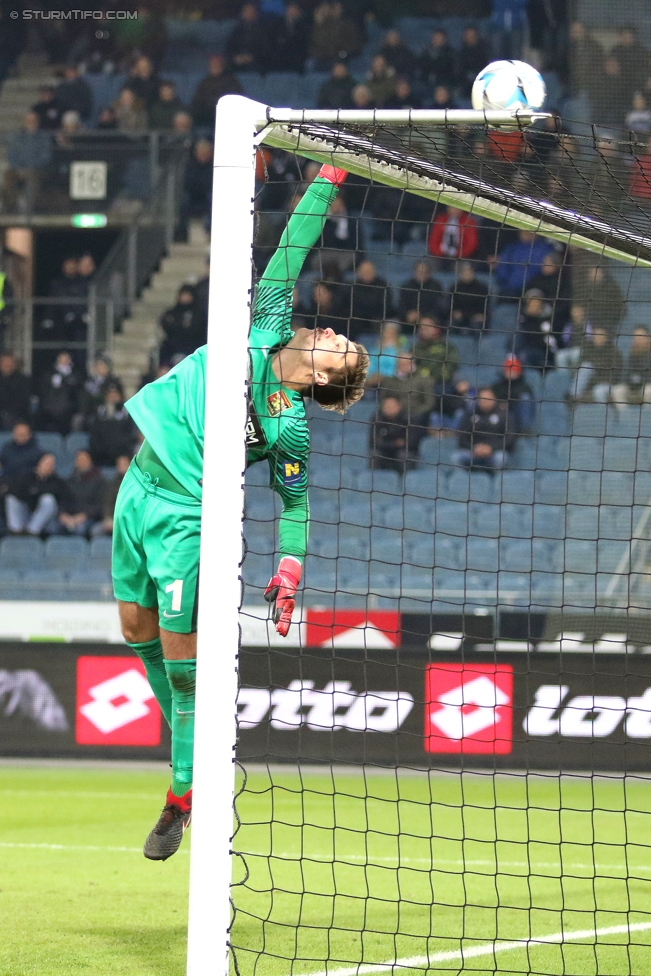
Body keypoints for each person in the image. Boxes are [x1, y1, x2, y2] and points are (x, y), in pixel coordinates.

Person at [111, 164, 368, 860]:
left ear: (320, 379)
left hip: (185, 517)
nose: (328, 335)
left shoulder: (288, 426)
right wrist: (327, 176)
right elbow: (292, 246)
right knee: (132, 628)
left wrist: (289, 569)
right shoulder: (270, 323)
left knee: (183, 663)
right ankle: (190, 743)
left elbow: (295, 501)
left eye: (335, 349)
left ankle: (182, 792)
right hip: (137, 484)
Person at [5, 452, 72, 536]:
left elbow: (62, 498)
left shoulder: (57, 481)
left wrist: (35, 491)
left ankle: (32, 531)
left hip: (47, 519)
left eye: (51, 464)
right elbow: (16, 491)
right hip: (28, 511)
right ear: (39, 463)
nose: (49, 466)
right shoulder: (27, 477)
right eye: (46, 463)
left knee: (48, 499)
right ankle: (15, 531)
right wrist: (32, 494)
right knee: (11, 499)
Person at [453, 387, 515, 470]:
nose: (485, 401)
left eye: (488, 399)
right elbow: (462, 437)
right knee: (456, 457)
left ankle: (496, 481)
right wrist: (474, 448)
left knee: (501, 458)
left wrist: (491, 448)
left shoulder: (505, 416)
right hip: (473, 452)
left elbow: (509, 439)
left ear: (494, 399)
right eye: (482, 399)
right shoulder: (469, 415)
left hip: (495, 452)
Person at [3, 111, 52, 213]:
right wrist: (18, 168)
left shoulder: (43, 137)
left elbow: (45, 157)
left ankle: (27, 209)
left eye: (33, 120)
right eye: (28, 120)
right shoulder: (18, 137)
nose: (30, 123)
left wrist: (30, 167)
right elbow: (12, 155)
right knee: (8, 176)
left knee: (31, 177)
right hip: (18, 169)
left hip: (36, 170)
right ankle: (11, 207)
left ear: (37, 122)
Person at [572, 326, 626, 406]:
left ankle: (602, 414)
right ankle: (574, 395)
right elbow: (580, 365)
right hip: (593, 381)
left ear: (606, 337)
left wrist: (598, 373)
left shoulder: (613, 351)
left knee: (598, 391)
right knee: (586, 366)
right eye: (596, 336)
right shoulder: (589, 349)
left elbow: (615, 373)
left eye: (601, 335)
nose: (598, 338)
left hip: (608, 382)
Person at [492, 231, 554, 299]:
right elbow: (502, 268)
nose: (525, 234)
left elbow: (547, 270)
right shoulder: (512, 247)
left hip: (533, 289)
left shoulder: (545, 249)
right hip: (508, 288)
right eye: (522, 231)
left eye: (528, 232)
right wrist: (504, 283)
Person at [57, 449, 104, 537]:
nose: (82, 462)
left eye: (84, 459)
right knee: (54, 527)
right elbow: (63, 500)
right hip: (69, 517)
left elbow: (99, 505)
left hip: (89, 518)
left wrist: (84, 516)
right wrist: (63, 514)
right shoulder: (69, 480)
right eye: (79, 459)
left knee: (79, 529)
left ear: (90, 461)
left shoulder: (99, 481)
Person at [88, 384, 137, 466]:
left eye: (115, 396)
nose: (113, 399)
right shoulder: (98, 413)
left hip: (122, 453)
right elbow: (95, 435)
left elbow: (130, 434)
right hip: (102, 454)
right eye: (110, 396)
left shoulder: (128, 414)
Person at [190, 55, 243, 128]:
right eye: (212, 65)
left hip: (226, 114)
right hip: (207, 115)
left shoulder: (232, 82)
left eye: (217, 65)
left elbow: (237, 99)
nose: (215, 67)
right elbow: (197, 102)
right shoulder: (204, 83)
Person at [308, 2, 363, 70]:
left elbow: (354, 44)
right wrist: (319, 24)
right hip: (322, 58)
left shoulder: (348, 25)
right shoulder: (319, 26)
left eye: (338, 8)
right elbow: (316, 43)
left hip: (343, 57)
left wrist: (342, 52)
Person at [370, 395, 416, 473]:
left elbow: (410, 442)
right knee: (374, 454)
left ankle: (405, 480)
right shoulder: (377, 419)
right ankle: (375, 481)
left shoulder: (407, 420)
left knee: (404, 456)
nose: (389, 408)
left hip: (401, 451)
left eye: (392, 406)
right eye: (387, 406)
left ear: (398, 406)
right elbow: (374, 441)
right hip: (383, 451)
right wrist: (395, 443)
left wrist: (386, 442)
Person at [349, 259, 393, 340]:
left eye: (369, 271)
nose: (366, 274)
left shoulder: (383, 285)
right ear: (359, 273)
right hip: (359, 320)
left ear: (374, 271)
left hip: (377, 318)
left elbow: (387, 306)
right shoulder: (353, 287)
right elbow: (351, 305)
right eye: (364, 272)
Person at [178, 140, 213, 241]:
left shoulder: (212, 167)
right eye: (201, 152)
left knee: (212, 199)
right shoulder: (191, 166)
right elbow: (188, 183)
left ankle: (209, 230)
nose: (203, 155)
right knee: (184, 201)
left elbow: (210, 184)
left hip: (207, 196)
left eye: (206, 152)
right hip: (194, 196)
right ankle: (181, 233)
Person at [159, 285, 204, 363]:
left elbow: (196, 330)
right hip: (173, 349)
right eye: (183, 295)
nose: (185, 298)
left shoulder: (198, 314)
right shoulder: (172, 313)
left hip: (192, 348)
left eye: (187, 295)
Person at [39, 352, 80, 435]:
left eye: (66, 359)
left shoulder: (76, 374)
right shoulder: (48, 374)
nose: (64, 361)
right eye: (62, 359)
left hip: (68, 410)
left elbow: (77, 392)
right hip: (49, 410)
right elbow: (43, 391)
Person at [514, 289, 557, 370]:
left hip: (544, 351)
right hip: (526, 349)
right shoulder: (522, 319)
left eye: (537, 302)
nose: (535, 305)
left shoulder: (549, 319)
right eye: (532, 303)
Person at [492, 355, 535, 432]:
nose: (511, 373)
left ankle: (524, 430)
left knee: (525, 398)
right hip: (500, 413)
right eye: (508, 370)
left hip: (516, 413)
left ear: (519, 372)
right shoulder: (498, 385)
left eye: (514, 370)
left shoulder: (524, 386)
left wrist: (508, 403)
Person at [92, 454, 131, 537]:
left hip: (130, 522)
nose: (121, 467)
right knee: (96, 531)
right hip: (112, 520)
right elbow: (107, 503)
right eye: (119, 464)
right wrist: (108, 519)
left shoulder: (137, 485)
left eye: (124, 464)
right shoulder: (111, 484)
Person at [398, 260, 446, 326]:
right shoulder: (406, 286)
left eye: (424, 272)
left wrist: (421, 314)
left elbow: (439, 307)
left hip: (430, 318)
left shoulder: (436, 287)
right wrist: (408, 314)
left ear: (429, 273)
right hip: (409, 319)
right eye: (419, 272)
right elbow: (402, 306)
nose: (422, 274)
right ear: (415, 272)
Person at [225, 2, 270, 72]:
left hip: (256, 62)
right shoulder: (236, 30)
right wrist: (236, 57)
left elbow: (265, 50)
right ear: (242, 14)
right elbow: (229, 48)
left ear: (256, 14)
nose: (249, 14)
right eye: (246, 12)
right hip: (238, 61)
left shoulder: (263, 30)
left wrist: (251, 57)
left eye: (251, 12)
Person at [449, 261, 490, 334]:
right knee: (452, 324)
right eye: (464, 273)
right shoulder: (454, 288)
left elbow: (486, 305)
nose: (466, 275)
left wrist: (482, 315)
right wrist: (454, 312)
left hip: (476, 316)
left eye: (469, 272)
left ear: (473, 273)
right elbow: (451, 304)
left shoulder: (482, 288)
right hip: (460, 317)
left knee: (478, 326)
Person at [269, 2, 311, 73]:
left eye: (294, 9)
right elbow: (273, 40)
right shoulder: (278, 23)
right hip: (280, 56)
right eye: (290, 9)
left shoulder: (304, 24)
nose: (292, 11)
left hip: (297, 57)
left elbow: (304, 42)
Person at [457, 25, 490, 99]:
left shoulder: (484, 50)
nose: (470, 37)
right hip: (464, 81)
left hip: (481, 79)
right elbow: (459, 68)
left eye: (472, 35)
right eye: (468, 35)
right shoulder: (461, 51)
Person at [0, 354, 31, 430]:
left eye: (9, 362)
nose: (7, 365)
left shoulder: (23, 379)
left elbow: (24, 399)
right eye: (4, 362)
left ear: (14, 364)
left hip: (16, 414)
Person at [626, 326, 651, 404]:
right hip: (635, 386)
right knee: (618, 391)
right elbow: (630, 374)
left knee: (647, 391)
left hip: (648, 385)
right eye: (635, 337)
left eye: (639, 336)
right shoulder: (633, 353)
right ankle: (625, 416)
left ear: (647, 338)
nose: (637, 339)